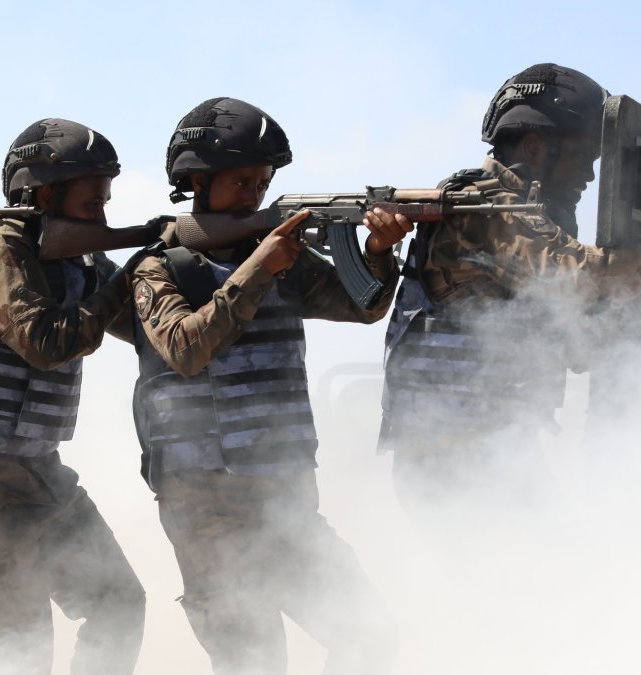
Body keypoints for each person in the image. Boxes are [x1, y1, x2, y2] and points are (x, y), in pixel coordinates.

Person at [378, 63, 641, 515]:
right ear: (536, 147)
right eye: (584, 158)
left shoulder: (518, 211)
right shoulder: (489, 207)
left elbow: (553, 317)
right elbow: (582, 282)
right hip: (454, 457)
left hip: (488, 444)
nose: (591, 177)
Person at [130, 97, 409, 675]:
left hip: (284, 498)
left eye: (262, 183)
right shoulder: (160, 267)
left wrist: (379, 252)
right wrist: (259, 266)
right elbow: (185, 349)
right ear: (197, 182)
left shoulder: (287, 259)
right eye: (241, 182)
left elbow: (362, 305)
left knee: (369, 636)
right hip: (206, 505)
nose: (255, 195)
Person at [0, 118, 145, 675]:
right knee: (23, 646)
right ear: (43, 194)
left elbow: (136, 325)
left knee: (116, 601)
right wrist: (130, 273)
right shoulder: (3, 244)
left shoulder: (72, 255)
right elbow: (47, 343)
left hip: (32, 466)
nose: (102, 216)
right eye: (91, 203)